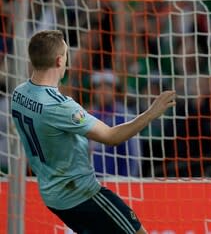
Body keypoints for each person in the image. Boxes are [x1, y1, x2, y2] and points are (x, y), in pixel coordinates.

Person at [10, 30, 176, 234]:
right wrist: (152, 112)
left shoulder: (18, 94)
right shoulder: (60, 106)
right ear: (60, 60)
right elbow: (111, 137)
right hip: (81, 193)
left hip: (51, 194)